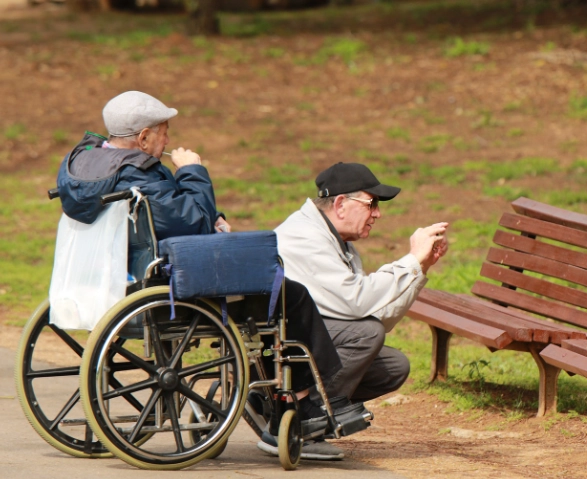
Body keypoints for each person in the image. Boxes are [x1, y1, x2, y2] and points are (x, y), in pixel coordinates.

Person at [55, 91, 352, 461]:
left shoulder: (89, 166)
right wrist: (193, 170)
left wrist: (210, 215)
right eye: (164, 132)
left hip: (116, 281)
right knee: (289, 295)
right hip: (170, 285)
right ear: (144, 137)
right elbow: (190, 220)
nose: (168, 141)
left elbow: (175, 213)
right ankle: (308, 403)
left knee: (271, 289)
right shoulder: (137, 172)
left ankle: (284, 400)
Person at [275, 162, 449, 405]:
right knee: (365, 335)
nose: (377, 214)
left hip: (301, 333)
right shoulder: (307, 237)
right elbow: (357, 302)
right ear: (340, 205)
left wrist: (420, 267)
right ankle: (301, 414)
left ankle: (311, 413)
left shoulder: (340, 241)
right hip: (277, 341)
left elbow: (378, 315)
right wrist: (411, 260)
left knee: (393, 366)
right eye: (372, 204)